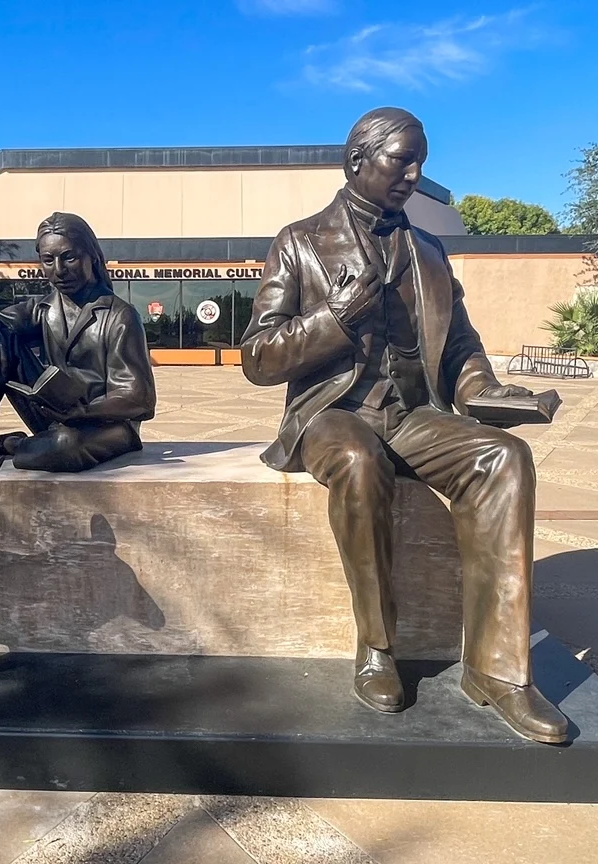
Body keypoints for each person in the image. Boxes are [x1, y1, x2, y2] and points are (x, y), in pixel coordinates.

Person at [240, 107, 568, 744]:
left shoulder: (429, 250)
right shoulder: (300, 241)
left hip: (414, 415)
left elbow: (460, 348)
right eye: (402, 160)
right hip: (332, 413)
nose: (415, 174)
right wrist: (334, 319)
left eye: (421, 162)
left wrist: (488, 393)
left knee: (505, 458)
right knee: (360, 462)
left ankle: (497, 672)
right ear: (358, 160)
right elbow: (258, 358)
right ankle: (377, 649)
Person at [0, 212, 156, 473]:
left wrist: (82, 412)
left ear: (92, 256)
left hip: (107, 424)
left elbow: (139, 397)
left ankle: (12, 445)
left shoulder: (121, 315)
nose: (59, 270)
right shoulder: (44, 308)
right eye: (48, 260)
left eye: (69, 257)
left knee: (63, 446)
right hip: (52, 416)